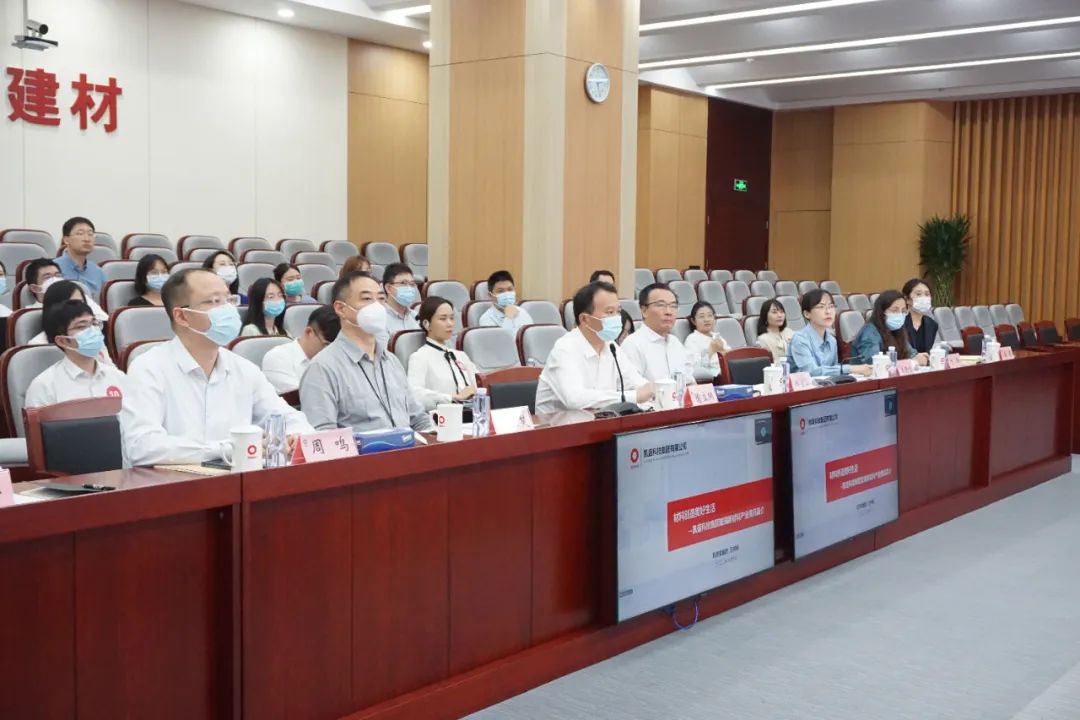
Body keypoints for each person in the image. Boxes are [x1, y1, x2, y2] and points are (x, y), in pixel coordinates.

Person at [121, 268, 313, 466]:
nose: (227, 309)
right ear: (181, 316)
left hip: (237, 481)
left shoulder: (244, 369)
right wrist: (229, 448)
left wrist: (295, 436)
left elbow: (288, 417)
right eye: (214, 301)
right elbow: (142, 447)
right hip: (169, 482)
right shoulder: (148, 368)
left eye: (228, 300)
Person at [300, 271, 434, 433]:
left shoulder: (391, 361)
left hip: (409, 446)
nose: (376, 307)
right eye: (367, 299)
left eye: (381, 299)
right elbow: (323, 435)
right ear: (341, 309)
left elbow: (418, 419)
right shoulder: (323, 368)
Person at [536, 281, 654, 414]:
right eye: (610, 312)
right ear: (585, 319)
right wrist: (631, 397)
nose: (617, 318)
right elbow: (574, 399)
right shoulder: (564, 349)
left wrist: (653, 391)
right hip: (557, 424)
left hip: (600, 421)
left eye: (618, 311)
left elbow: (637, 383)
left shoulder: (611, 346)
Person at [25, 300, 126, 408]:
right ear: (62, 341)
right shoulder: (44, 386)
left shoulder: (118, 377)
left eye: (94, 324)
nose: (93, 331)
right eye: (81, 327)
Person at [407, 296, 479, 411]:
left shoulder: (460, 355)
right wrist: (452, 398)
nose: (450, 323)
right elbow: (415, 394)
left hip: (473, 412)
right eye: (443, 319)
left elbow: (480, 382)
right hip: (443, 416)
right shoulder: (419, 357)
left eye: (452, 318)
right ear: (427, 324)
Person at [619, 283, 695, 383]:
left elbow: (689, 380)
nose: (669, 312)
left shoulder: (675, 342)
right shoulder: (632, 344)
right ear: (644, 310)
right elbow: (632, 386)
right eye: (661, 305)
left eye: (673, 306)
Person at [789, 289, 871, 377]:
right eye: (821, 307)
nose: (828, 311)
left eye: (831, 306)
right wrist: (850, 369)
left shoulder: (832, 340)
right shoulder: (800, 339)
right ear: (807, 314)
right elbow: (811, 372)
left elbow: (833, 371)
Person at [29, 281, 114, 365]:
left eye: (81, 303)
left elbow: (110, 368)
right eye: (71, 304)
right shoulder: (38, 346)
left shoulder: (93, 334)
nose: (79, 308)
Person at [262, 305, 341, 394]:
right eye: (327, 345)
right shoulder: (278, 358)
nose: (332, 352)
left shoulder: (338, 359)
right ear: (309, 332)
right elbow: (307, 398)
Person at [851, 290, 928, 366]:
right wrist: (911, 362)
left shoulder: (897, 330)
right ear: (882, 312)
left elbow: (911, 353)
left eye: (903, 311)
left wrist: (918, 357)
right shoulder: (869, 332)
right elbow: (874, 363)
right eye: (894, 310)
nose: (900, 315)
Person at [25, 259, 107, 322]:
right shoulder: (31, 314)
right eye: (48, 277)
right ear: (34, 288)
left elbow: (104, 319)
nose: (55, 280)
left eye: (58, 275)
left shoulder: (78, 297)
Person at [55, 216, 106, 297]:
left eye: (90, 234)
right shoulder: (54, 269)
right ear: (66, 240)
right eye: (80, 234)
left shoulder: (98, 272)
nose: (87, 239)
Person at [684, 301, 730, 380]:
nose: (707, 319)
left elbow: (731, 359)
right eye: (701, 316)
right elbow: (694, 368)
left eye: (710, 315)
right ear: (693, 321)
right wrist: (711, 351)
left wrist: (722, 350)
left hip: (727, 371)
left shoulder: (718, 337)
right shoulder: (692, 339)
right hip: (712, 377)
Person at [381, 262, 421, 337]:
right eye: (403, 283)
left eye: (412, 284)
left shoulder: (417, 317)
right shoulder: (379, 319)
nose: (409, 288)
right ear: (388, 288)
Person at [902, 278, 939, 354]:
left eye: (927, 294)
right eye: (918, 294)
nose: (924, 298)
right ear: (907, 299)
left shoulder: (932, 324)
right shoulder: (900, 323)